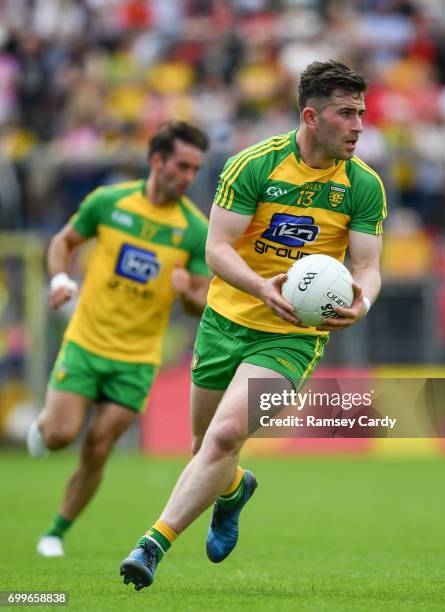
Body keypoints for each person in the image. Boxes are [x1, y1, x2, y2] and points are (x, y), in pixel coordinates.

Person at [120, 59, 387, 590]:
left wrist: (363, 304)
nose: (359, 125)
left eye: (361, 112)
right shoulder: (255, 166)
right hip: (226, 320)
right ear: (311, 117)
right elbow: (216, 248)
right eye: (346, 114)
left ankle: (150, 545)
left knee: (223, 435)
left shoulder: (363, 185)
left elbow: (367, 269)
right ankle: (234, 489)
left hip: (292, 336)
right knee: (205, 447)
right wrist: (263, 287)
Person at [27, 121, 211, 557]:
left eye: (194, 169)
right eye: (181, 166)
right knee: (60, 435)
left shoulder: (194, 229)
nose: (187, 177)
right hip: (87, 343)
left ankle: (55, 531)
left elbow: (201, 304)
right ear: (157, 161)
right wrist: (59, 278)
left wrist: (189, 291)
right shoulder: (109, 203)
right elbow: (63, 241)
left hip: (137, 358)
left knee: (100, 444)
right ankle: (43, 425)